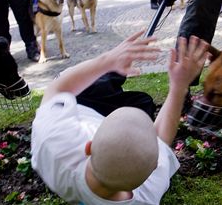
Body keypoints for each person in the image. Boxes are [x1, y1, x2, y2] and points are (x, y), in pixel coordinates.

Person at [31, 31, 209, 204]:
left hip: (79, 107)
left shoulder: (53, 137)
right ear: (154, 167)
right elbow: (161, 140)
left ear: (89, 146)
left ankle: (113, 76)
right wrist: (179, 86)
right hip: (93, 118)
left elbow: (58, 89)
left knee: (107, 81)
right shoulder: (147, 197)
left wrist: (108, 60)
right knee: (143, 101)